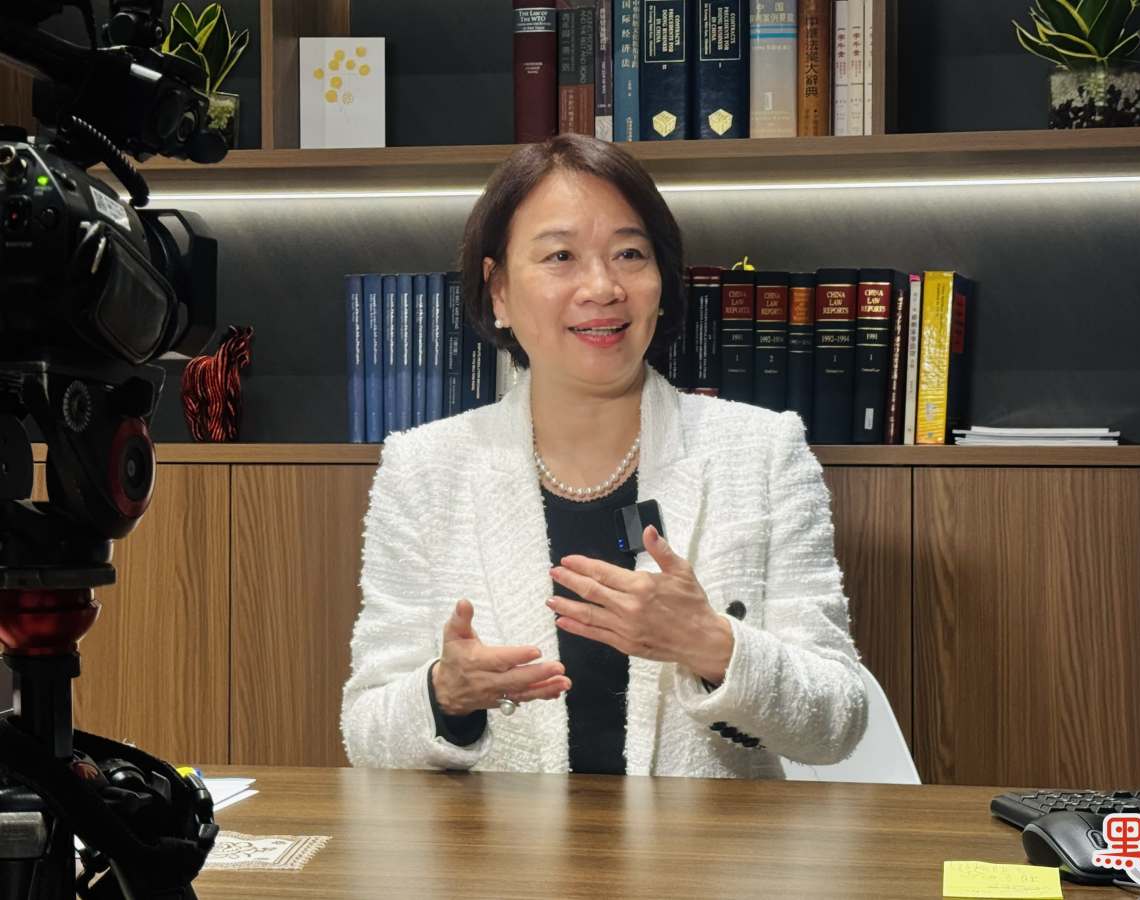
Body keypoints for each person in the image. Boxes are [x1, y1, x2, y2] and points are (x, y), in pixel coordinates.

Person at [340, 133, 866, 778]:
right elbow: (367, 731)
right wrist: (445, 695)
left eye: (629, 254)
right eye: (560, 256)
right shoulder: (424, 467)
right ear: (498, 290)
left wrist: (713, 645)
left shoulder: (761, 451)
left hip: (704, 841)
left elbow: (837, 721)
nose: (602, 286)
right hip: (502, 842)